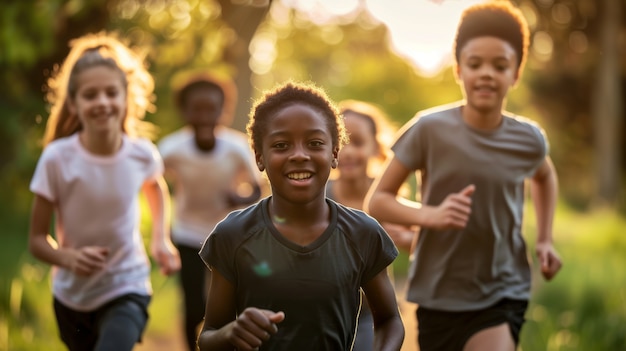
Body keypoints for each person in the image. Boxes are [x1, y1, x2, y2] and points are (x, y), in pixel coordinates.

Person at [365, 2, 562, 351]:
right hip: (438, 293)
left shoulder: (528, 138)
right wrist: (430, 216)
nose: (486, 73)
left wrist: (544, 239)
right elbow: (377, 201)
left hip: (503, 289)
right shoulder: (428, 129)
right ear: (458, 69)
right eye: (475, 64)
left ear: (515, 73)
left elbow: (545, 176)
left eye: (500, 66)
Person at [196, 81, 405, 351]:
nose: (299, 155)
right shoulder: (232, 234)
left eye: (315, 143)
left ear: (334, 153)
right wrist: (231, 333)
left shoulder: (363, 232)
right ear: (259, 157)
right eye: (282, 145)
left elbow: (389, 320)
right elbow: (208, 335)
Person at [27, 32, 181, 351]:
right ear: (73, 102)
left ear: (127, 97)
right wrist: (67, 257)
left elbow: (155, 186)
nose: (102, 102)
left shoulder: (141, 154)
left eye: (111, 92)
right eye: (90, 95)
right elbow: (37, 241)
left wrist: (160, 238)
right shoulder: (57, 158)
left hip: (128, 285)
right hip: (72, 297)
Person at [158, 72, 263, 351]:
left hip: (228, 236)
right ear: (184, 111)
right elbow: (149, 182)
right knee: (194, 306)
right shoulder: (171, 148)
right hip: (187, 234)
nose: (205, 116)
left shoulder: (237, 146)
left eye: (212, 109)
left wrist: (239, 196)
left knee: (228, 305)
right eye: (197, 109)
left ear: (223, 111)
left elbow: (257, 187)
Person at [327, 100, 417, 350]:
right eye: (340, 143)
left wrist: (405, 239)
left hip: (371, 313)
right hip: (322, 310)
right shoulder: (318, 196)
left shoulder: (384, 196)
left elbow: (420, 242)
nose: (347, 152)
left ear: (375, 147)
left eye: (357, 143)